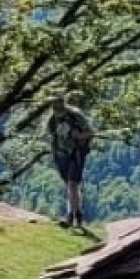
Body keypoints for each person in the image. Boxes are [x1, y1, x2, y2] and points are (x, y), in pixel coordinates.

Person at [44, 91, 95, 227]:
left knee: (72, 184)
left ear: (62, 101)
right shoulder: (52, 119)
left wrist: (78, 136)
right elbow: (51, 135)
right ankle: (78, 213)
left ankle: (70, 217)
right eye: (52, 103)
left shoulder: (75, 115)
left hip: (76, 153)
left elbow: (90, 132)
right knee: (70, 185)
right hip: (60, 155)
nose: (54, 105)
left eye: (56, 102)